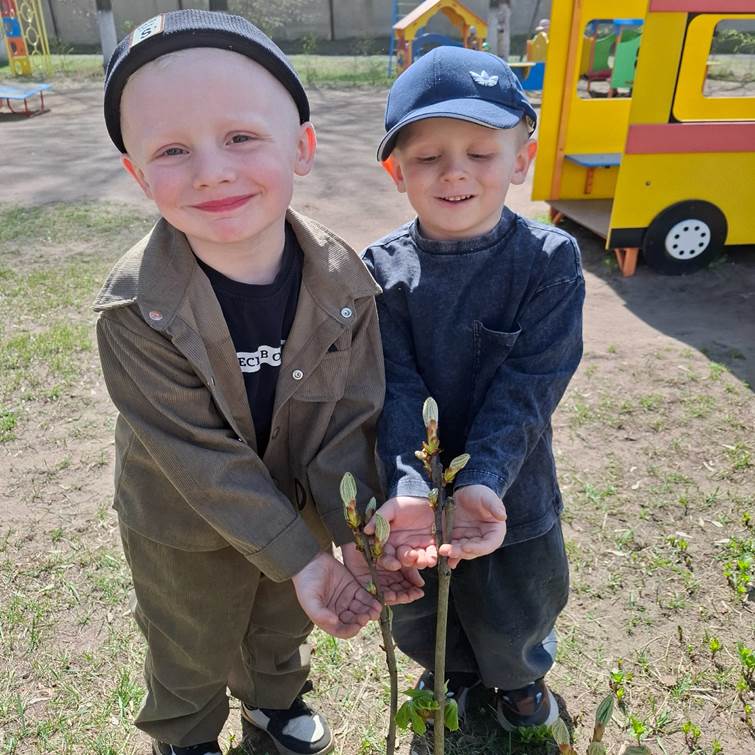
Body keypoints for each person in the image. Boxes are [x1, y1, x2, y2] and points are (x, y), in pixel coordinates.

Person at [95, 10, 422, 755]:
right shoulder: (135, 309)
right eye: (172, 150)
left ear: (301, 147)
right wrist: (303, 556)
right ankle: (184, 734)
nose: (211, 170)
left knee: (280, 621)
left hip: (300, 510)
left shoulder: (345, 285)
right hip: (182, 523)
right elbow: (198, 460)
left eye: (241, 136)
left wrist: (351, 536)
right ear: (138, 175)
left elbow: (348, 419)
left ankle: (274, 703)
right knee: (187, 635)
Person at [362, 46, 584, 731]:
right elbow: (394, 387)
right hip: (413, 500)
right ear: (397, 171)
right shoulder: (379, 272)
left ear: (521, 159)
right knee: (422, 601)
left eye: (480, 152)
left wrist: (483, 477)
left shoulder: (549, 261)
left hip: (513, 486)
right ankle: (447, 672)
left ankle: (519, 678)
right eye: (428, 156)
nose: (454, 171)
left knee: (519, 598)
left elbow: (531, 385)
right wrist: (410, 484)